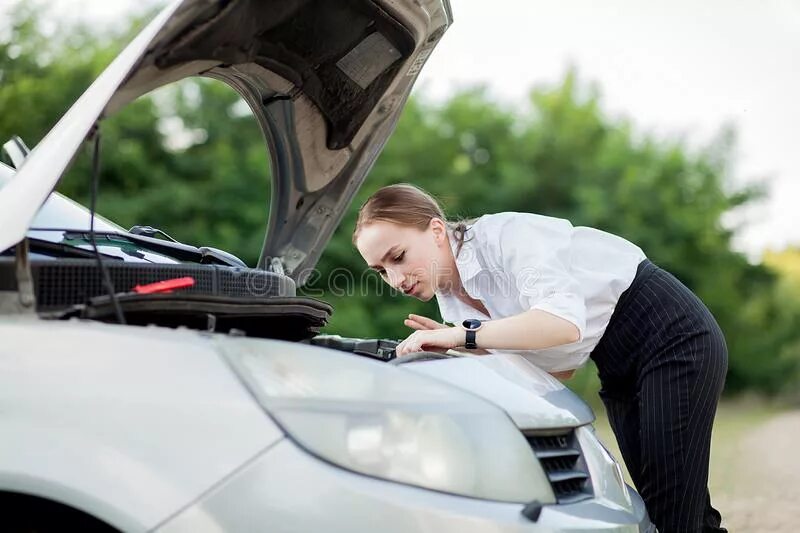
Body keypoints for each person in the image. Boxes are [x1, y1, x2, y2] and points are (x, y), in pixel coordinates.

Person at [352, 183, 728, 533]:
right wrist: (470, 347)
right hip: (617, 366)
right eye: (381, 270)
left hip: (670, 332)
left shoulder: (506, 237)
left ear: (436, 230)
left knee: (670, 511)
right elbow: (557, 370)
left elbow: (563, 324)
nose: (396, 278)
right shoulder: (451, 304)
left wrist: (464, 336)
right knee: (671, 506)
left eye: (398, 256)